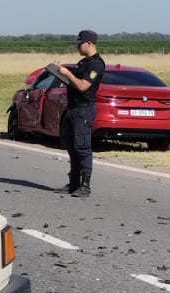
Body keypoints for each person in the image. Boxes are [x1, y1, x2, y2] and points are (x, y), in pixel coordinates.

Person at [53, 30, 105, 198]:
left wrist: (68, 74)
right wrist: (59, 71)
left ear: (89, 43)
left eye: (79, 43)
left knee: (83, 147)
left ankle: (85, 185)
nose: (77, 46)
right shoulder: (83, 63)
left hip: (84, 109)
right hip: (73, 108)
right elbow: (73, 83)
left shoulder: (96, 64)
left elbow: (83, 86)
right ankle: (73, 183)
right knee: (71, 145)